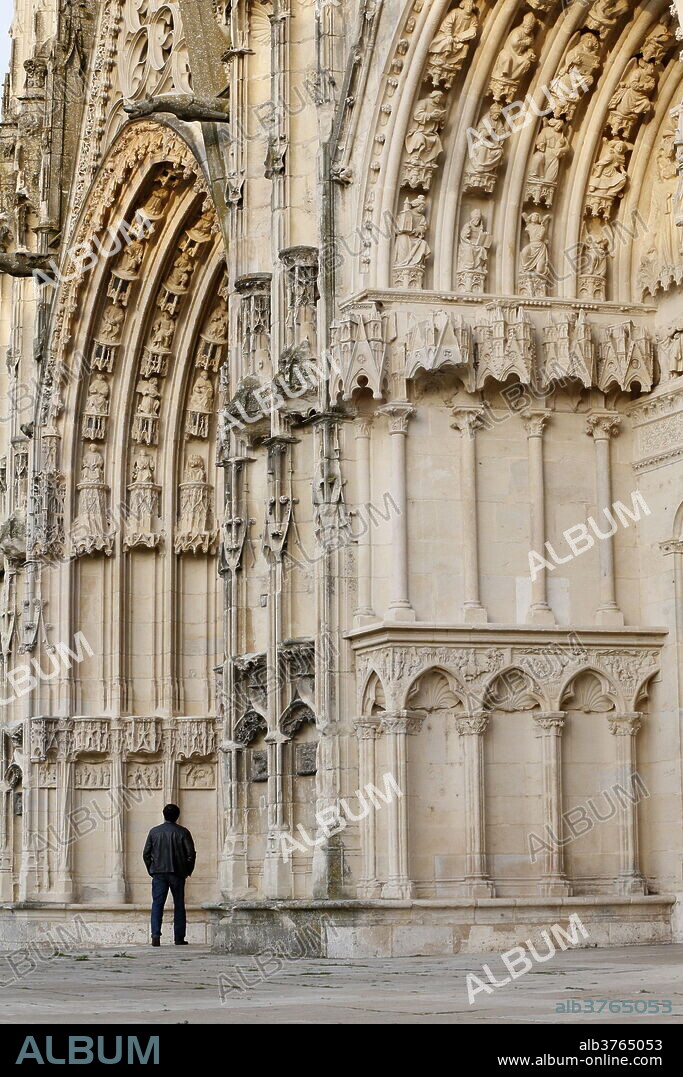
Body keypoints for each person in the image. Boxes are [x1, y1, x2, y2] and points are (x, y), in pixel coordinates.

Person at [143, 804, 196, 946]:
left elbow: (146, 854)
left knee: (157, 904)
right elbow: (190, 854)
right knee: (179, 904)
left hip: (159, 873)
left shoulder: (154, 832)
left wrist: (152, 869)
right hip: (177, 873)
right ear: (177, 816)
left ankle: (155, 934)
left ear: (163, 814)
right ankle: (178, 937)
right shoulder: (183, 832)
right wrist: (187, 871)